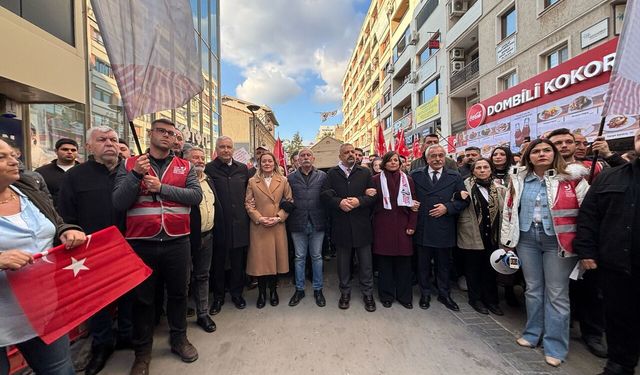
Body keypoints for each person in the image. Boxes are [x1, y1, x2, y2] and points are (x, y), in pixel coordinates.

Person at [113, 119, 202, 373]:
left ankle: (179, 339)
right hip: (142, 242)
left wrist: (162, 188)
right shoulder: (130, 165)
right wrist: (136, 176)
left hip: (177, 240)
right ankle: (142, 353)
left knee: (178, 294)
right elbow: (119, 202)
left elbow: (195, 196)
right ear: (150, 134)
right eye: (161, 131)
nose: (167, 136)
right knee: (143, 300)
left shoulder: (185, 166)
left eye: (172, 133)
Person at [0, 137, 86, 375]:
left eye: (12, 154)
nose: (13, 160)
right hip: (3, 310)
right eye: (1, 157)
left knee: (59, 370)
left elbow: (55, 221)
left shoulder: (28, 186)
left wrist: (67, 230)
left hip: (43, 308)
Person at [501, 138, 590, 367]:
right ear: (528, 156)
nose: (541, 154)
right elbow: (509, 210)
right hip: (526, 239)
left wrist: (585, 245)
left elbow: (588, 213)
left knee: (557, 294)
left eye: (546, 150)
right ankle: (532, 335)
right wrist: (506, 241)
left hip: (558, 242)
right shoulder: (518, 179)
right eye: (536, 151)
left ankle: (555, 346)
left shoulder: (573, 178)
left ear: (554, 154)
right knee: (532, 290)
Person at [58, 126, 130, 375]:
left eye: (112, 139)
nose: (109, 143)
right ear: (89, 146)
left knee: (131, 295)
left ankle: (128, 336)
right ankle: (102, 344)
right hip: (92, 251)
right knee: (98, 301)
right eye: (102, 140)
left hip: (129, 246)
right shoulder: (75, 176)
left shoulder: (131, 171)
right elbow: (65, 215)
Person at [574, 129, 640, 375]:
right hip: (616, 264)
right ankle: (619, 364)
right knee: (618, 318)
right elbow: (589, 216)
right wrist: (586, 251)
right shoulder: (610, 177)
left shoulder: (607, 164)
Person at [411, 145, 468, 311]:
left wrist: (447, 208)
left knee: (443, 264)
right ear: (427, 159)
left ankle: (444, 294)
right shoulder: (415, 175)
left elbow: (463, 199)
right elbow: (407, 194)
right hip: (423, 226)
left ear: (445, 157)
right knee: (423, 264)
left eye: (440, 155)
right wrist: (411, 204)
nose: (437, 159)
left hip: (444, 226)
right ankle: (425, 293)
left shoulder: (455, 176)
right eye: (433, 156)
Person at [321, 143, 377, 312]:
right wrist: (339, 202)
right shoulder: (331, 173)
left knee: (365, 263)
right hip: (341, 224)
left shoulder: (365, 172)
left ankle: (368, 294)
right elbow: (324, 195)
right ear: (340, 156)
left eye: (352, 151)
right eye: (346, 153)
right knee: (343, 263)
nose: (350, 154)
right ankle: (344, 292)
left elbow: (374, 196)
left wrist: (360, 201)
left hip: (362, 225)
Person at [205, 136, 250, 314]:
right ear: (216, 148)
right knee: (218, 263)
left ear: (233, 149)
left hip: (239, 224)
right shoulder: (209, 169)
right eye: (222, 147)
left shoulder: (242, 169)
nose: (225, 150)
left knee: (238, 262)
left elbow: (249, 194)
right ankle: (218, 297)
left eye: (228, 147)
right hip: (218, 225)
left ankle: (237, 294)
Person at [457, 158, 506, 316]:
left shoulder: (499, 188)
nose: (482, 170)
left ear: (491, 170)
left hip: (492, 234)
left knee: (491, 268)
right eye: (479, 167)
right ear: (473, 171)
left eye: (486, 167)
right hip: (471, 233)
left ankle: (491, 300)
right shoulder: (465, 185)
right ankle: (475, 299)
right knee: (473, 268)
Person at [244, 152, 293, 308]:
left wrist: (279, 217)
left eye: (269, 161)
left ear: (274, 163)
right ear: (259, 164)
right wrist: (259, 218)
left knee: (274, 262)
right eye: (263, 161)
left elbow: (289, 201)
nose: (266, 163)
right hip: (259, 226)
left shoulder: (283, 180)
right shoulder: (252, 181)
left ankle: (273, 292)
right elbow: (249, 203)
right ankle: (261, 293)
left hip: (277, 225)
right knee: (261, 263)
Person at [371, 151, 418, 309]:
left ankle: (405, 297)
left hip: (403, 227)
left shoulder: (408, 180)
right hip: (382, 226)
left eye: (396, 160)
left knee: (404, 264)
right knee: (385, 265)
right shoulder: (375, 179)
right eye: (390, 160)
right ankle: (386, 296)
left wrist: (412, 225)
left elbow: (414, 204)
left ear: (400, 163)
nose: (393, 163)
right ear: (384, 163)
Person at [184, 146, 221, 333]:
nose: (199, 161)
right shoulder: (180, 182)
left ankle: (203, 314)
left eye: (201, 157)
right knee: (184, 278)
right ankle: (180, 315)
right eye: (194, 158)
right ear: (185, 161)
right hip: (187, 238)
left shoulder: (208, 181)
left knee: (203, 275)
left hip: (208, 235)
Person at [287, 148, 327, 307]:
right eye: (302, 155)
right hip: (298, 222)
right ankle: (300, 289)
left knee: (317, 257)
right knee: (299, 257)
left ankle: (318, 289)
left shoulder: (323, 176)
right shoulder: (290, 178)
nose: (305, 158)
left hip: (317, 222)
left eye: (308, 155)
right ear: (297, 159)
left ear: (313, 158)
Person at [35, 138, 79, 209]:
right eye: (65, 149)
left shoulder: (85, 172)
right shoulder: (42, 172)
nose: (69, 152)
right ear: (56, 151)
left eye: (73, 150)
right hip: (52, 214)